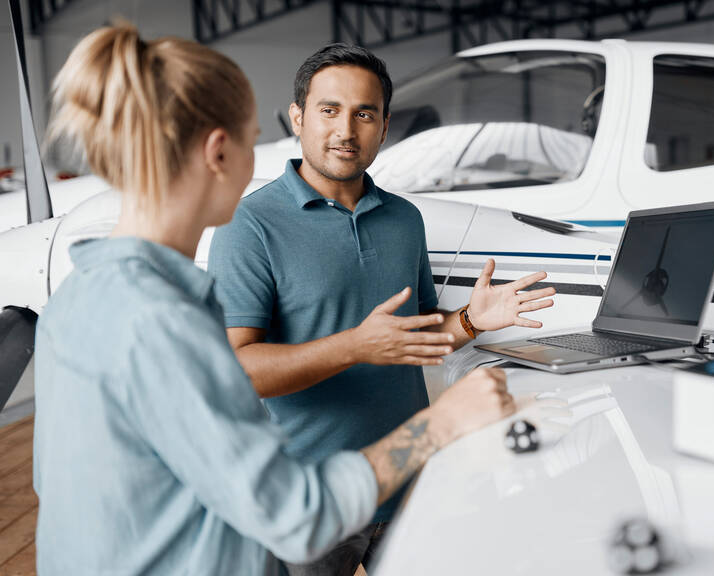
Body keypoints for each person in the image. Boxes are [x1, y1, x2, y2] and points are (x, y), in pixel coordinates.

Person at [33, 24, 514, 576]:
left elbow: (59, 484)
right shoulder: (161, 319)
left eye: (364, 113)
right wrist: (441, 424)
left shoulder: (79, 293)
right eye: (253, 136)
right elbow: (296, 513)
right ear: (221, 152)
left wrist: (470, 321)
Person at [207, 43, 555, 574]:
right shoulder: (249, 225)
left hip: (411, 484)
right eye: (329, 110)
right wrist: (353, 345)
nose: (346, 129)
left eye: (364, 113)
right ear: (298, 117)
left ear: (385, 126)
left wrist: (469, 321)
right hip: (308, 500)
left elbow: (411, 335)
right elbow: (236, 371)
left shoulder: (404, 219)